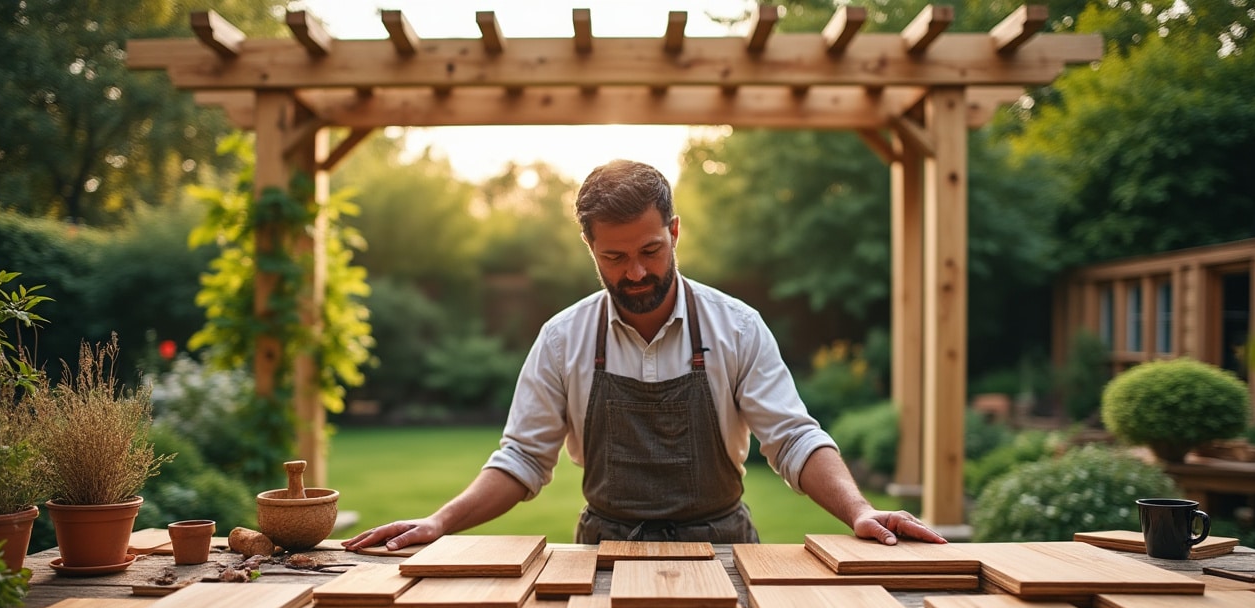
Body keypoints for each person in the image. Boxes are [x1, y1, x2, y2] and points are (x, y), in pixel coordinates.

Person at [343, 159, 945, 550]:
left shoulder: (736, 326)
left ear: (676, 232)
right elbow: (523, 459)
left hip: (725, 549)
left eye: (651, 251)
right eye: (614, 257)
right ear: (589, 248)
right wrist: (440, 523)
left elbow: (791, 438)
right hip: (604, 554)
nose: (636, 273)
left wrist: (858, 510)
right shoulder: (562, 339)